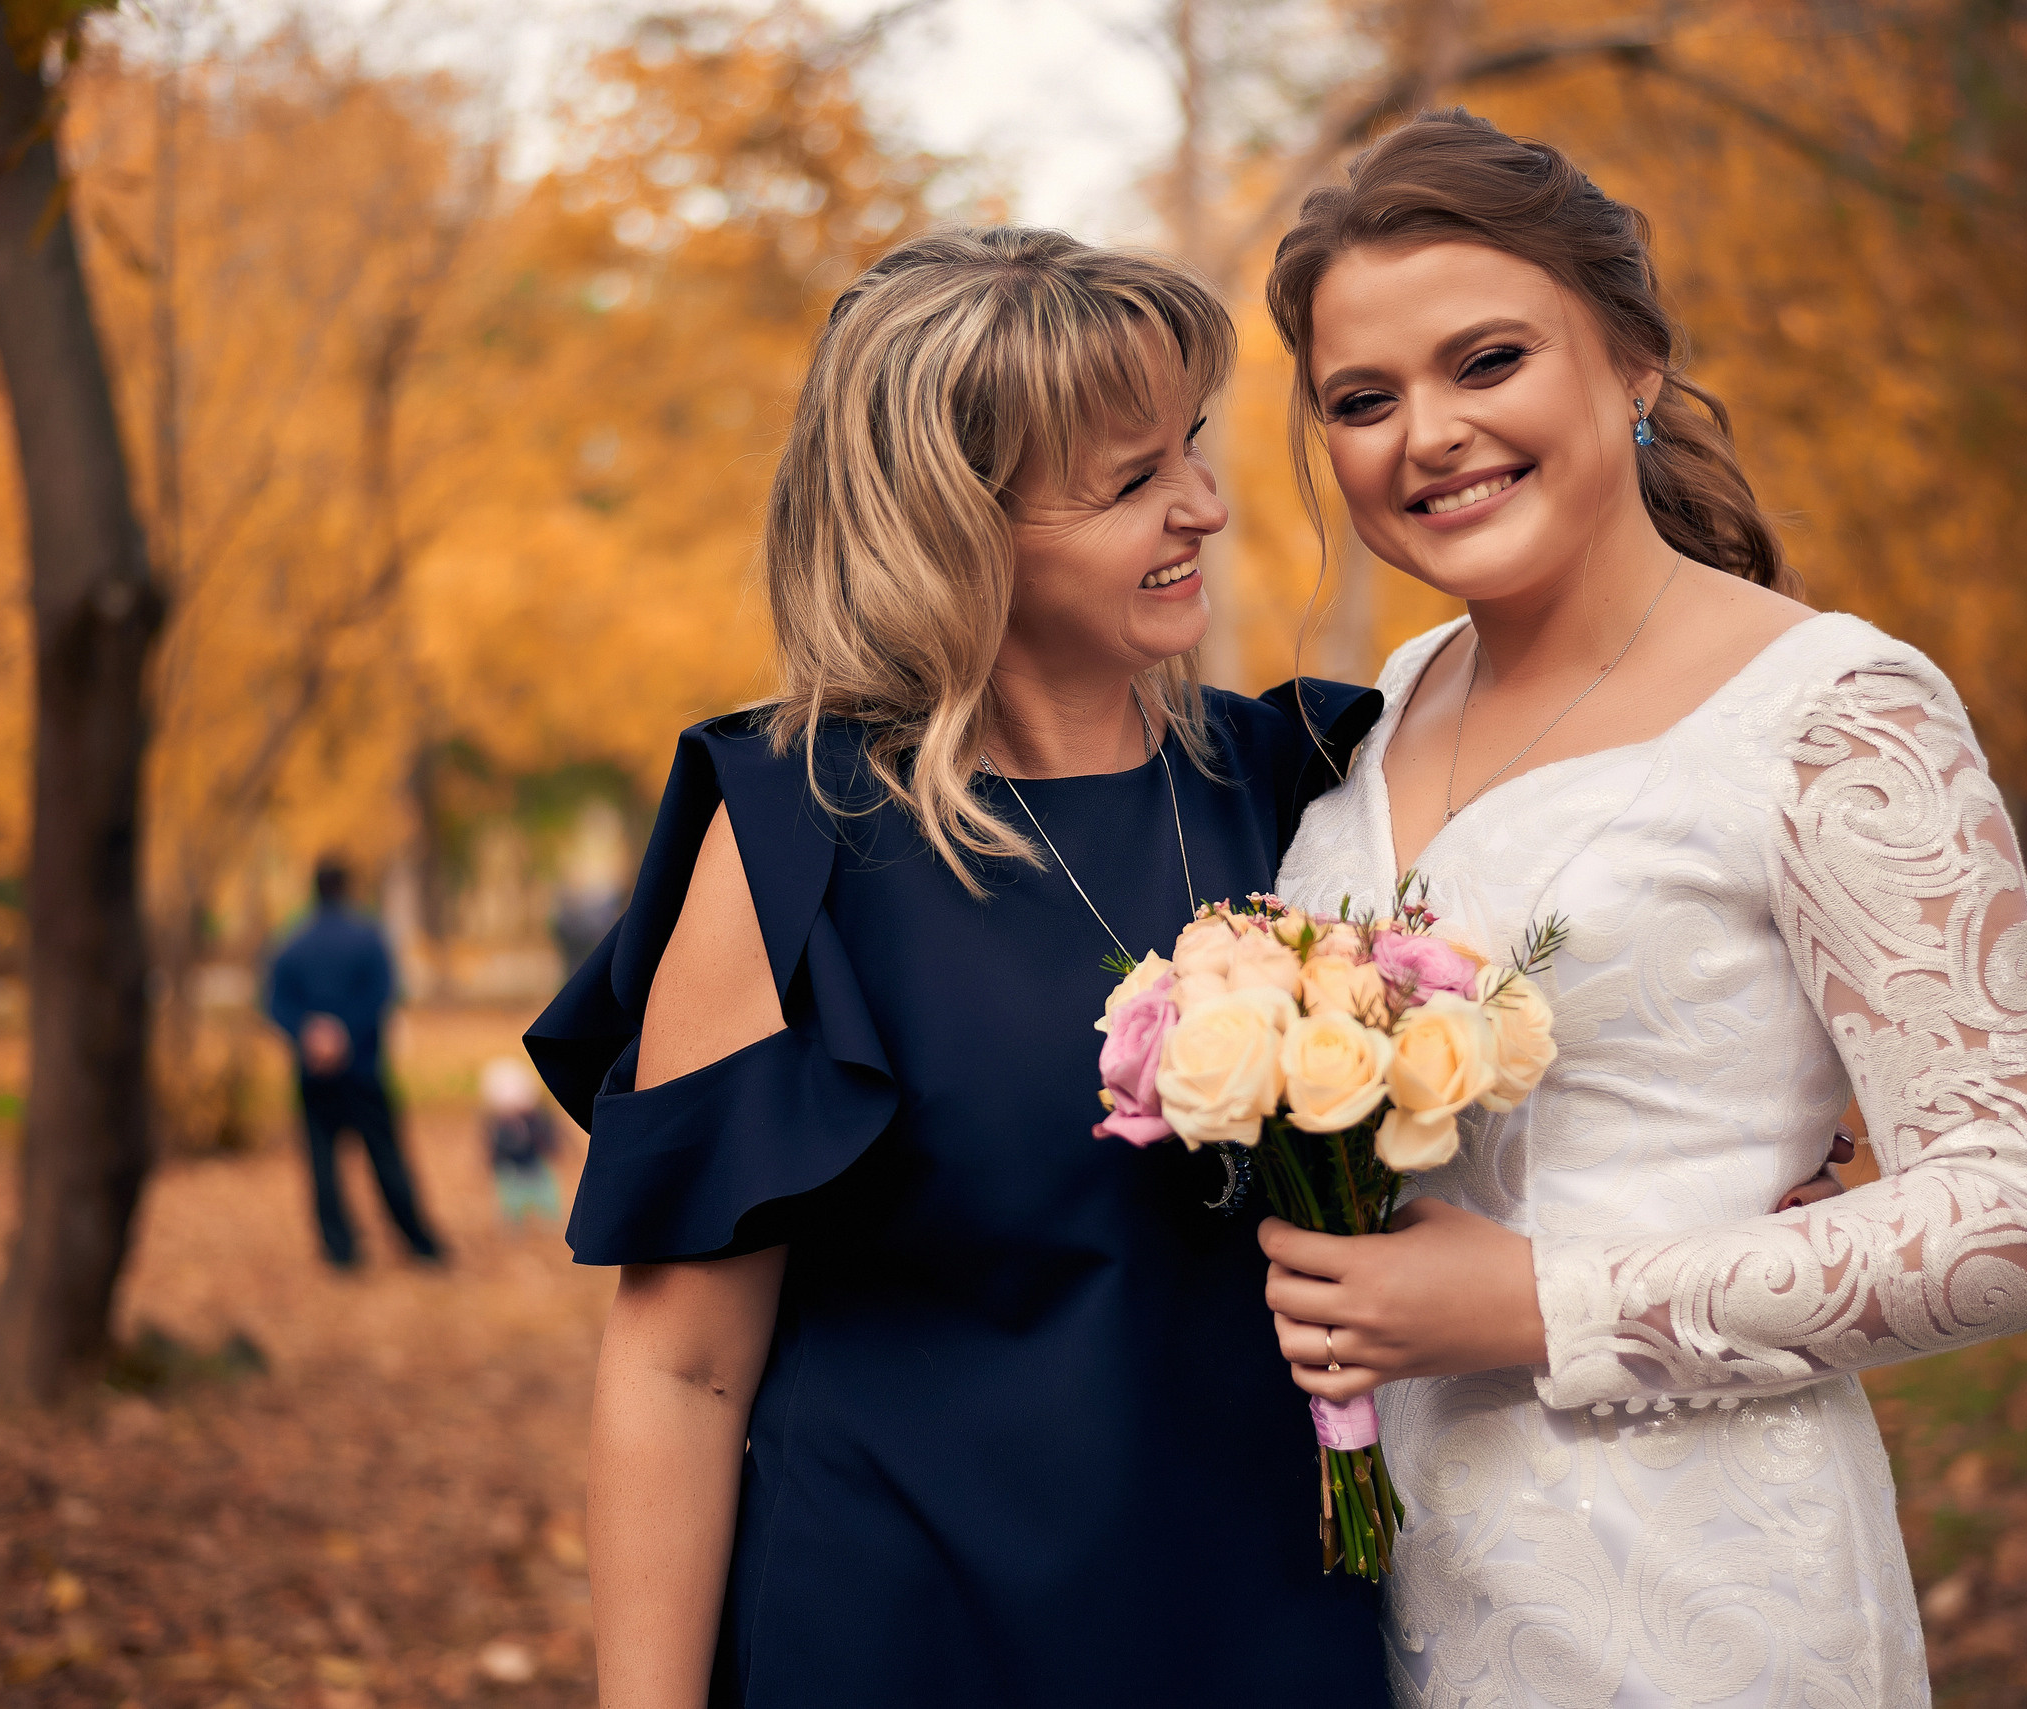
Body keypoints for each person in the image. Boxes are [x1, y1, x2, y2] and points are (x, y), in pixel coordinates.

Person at [1256, 111, 2027, 1706]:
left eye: (1485, 362)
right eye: (1362, 401)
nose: (1425, 434)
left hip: (1698, 1589)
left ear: (1632, 361)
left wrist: (1535, 1299)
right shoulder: (1389, 704)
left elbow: (2018, 1216)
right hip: (1378, 1595)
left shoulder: (1838, 711)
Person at [525, 227, 1390, 1709]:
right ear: (954, 528)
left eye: (1189, 444)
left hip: (1260, 1631)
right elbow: (680, 1371)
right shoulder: (794, 840)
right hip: (895, 1636)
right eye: (1132, 482)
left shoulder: (1299, 783)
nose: (1207, 505)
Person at [264, 857, 445, 1270]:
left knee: (322, 1163)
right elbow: (385, 992)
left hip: (313, 1073)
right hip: (364, 1067)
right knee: (386, 1156)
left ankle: (339, 1251)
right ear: (346, 886)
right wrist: (345, 1033)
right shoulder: (368, 937)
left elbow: (273, 1000)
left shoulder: (291, 941)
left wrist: (309, 1033)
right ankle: (418, 1243)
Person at [481, 1057, 562, 1229]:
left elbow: (550, 1133)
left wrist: (553, 1147)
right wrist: (492, 1160)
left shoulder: (538, 1117)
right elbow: (492, 1144)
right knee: (512, 1198)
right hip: (510, 1167)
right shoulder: (497, 1123)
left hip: (535, 1162)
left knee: (546, 1194)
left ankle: (550, 1222)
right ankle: (513, 1223)